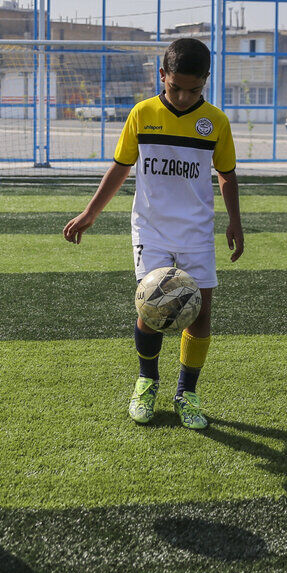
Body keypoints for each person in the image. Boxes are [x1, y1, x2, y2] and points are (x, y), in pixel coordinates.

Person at [63, 38, 243, 430]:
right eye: (174, 86)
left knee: (200, 313)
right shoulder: (142, 114)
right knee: (151, 307)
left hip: (196, 230)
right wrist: (90, 213)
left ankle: (187, 392)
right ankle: (146, 381)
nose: (182, 96)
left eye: (193, 90)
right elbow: (120, 167)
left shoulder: (215, 122)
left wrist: (235, 221)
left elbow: (227, 176)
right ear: (161, 76)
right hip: (152, 228)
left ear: (205, 82)